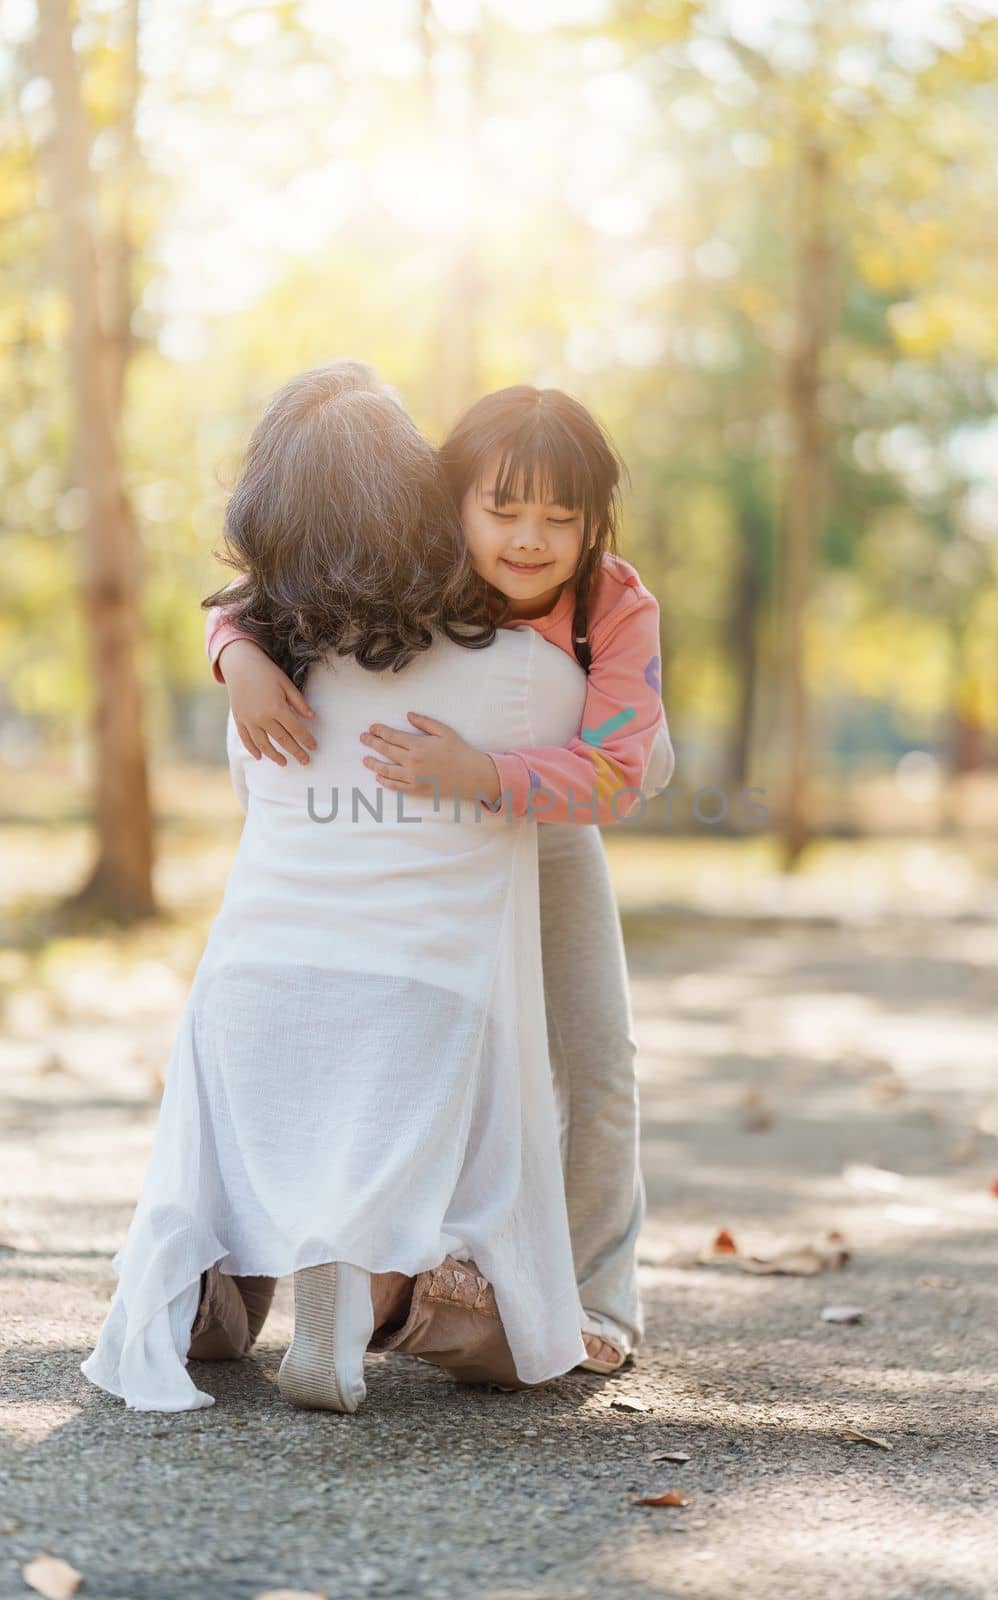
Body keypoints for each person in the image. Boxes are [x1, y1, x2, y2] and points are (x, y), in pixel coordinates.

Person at [82, 363, 590, 1413]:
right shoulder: (524, 672)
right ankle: (378, 1287)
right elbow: (637, 768)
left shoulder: (259, 678)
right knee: (519, 1334)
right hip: (419, 999)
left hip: (249, 989)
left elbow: (253, 789)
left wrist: (235, 644)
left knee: (241, 1169)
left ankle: (214, 1290)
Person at [207, 383, 674, 1373]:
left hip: (541, 825)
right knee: (404, 1038)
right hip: (406, 832)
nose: (528, 538)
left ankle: (594, 1298)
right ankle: (327, 1257)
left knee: (592, 1053)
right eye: (501, 509)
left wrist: (489, 774)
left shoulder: (612, 603)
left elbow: (618, 769)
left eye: (560, 516)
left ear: (595, 522)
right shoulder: (414, 560)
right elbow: (261, 596)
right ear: (452, 499)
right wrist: (235, 656)